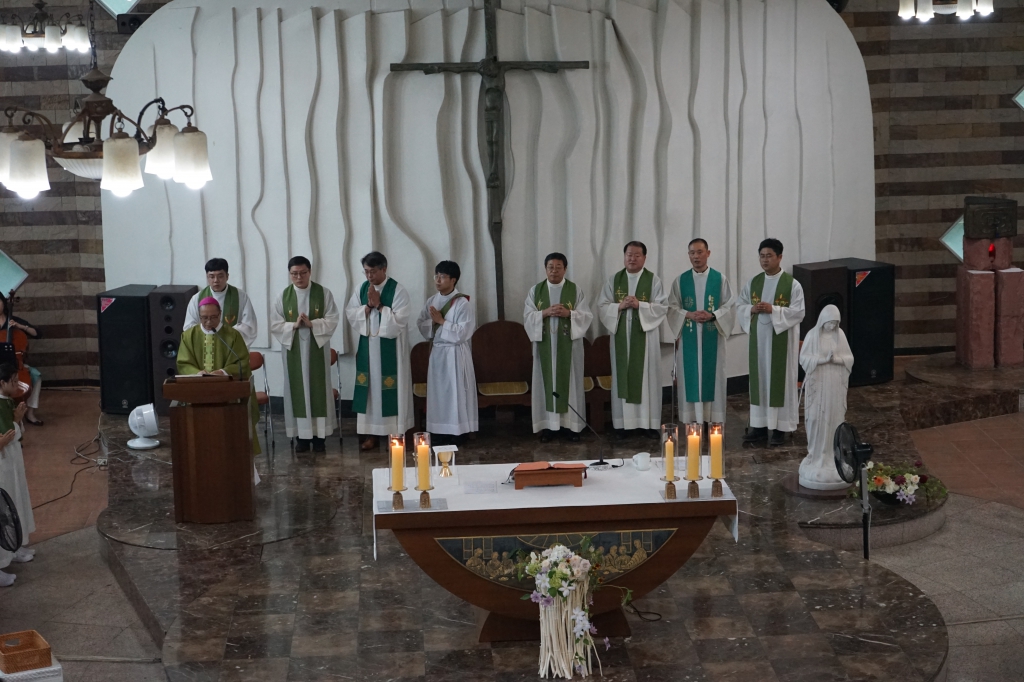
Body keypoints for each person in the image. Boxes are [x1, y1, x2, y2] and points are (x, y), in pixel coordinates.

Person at [736, 238, 805, 447]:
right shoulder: (754, 282)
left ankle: (781, 428)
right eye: (762, 256)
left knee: (780, 382)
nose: (765, 260)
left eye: (769, 256)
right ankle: (759, 426)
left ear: (780, 257)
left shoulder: (792, 284)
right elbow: (740, 305)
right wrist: (751, 309)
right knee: (760, 381)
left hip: (781, 344)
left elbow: (799, 312)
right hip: (759, 343)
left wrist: (773, 310)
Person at [596, 241, 668, 439]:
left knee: (646, 378)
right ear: (624, 256)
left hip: (645, 339)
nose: (632, 258)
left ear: (644, 258)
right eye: (629, 254)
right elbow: (602, 305)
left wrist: (640, 305)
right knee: (623, 376)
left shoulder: (653, 281)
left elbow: (662, 307)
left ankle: (648, 424)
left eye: (637, 255)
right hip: (621, 337)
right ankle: (623, 424)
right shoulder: (614, 280)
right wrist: (618, 306)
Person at [345, 252, 413, 451]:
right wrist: (367, 306)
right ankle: (371, 434)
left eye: (373, 272)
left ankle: (395, 436)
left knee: (392, 389)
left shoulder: (398, 291)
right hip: (369, 348)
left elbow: (399, 322)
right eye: (366, 271)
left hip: (391, 350)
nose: (369, 276)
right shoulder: (362, 288)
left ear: (384, 269)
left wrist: (380, 305)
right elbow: (351, 313)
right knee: (371, 391)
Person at [270, 257, 339, 453]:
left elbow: (333, 318)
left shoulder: (323, 293)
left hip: (317, 348)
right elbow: (275, 324)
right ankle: (301, 438)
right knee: (297, 390)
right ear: (289, 274)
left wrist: (313, 324)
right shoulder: (282, 296)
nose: (298, 277)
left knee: (318, 389)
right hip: (293, 349)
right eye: (294, 273)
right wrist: (293, 325)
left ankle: (319, 438)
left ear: (309, 272)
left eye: (302, 273)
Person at [177, 297, 261, 456]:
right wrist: (197, 373)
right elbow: (183, 362)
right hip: (199, 395)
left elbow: (242, 362)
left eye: (213, 317)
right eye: (204, 318)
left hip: (228, 398)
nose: (209, 322)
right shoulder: (188, 336)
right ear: (199, 316)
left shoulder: (232, 335)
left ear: (220, 314)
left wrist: (222, 372)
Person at [666, 239, 737, 426]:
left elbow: (730, 306)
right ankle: (692, 418)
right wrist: (688, 314)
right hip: (689, 337)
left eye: (699, 252)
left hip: (712, 336)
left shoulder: (719, 279)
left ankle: (712, 418)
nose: (696, 256)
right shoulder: (681, 280)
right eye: (692, 253)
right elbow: (671, 308)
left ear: (708, 253)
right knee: (691, 376)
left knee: (712, 376)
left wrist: (713, 315)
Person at [524, 252, 593, 442]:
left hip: (569, 348)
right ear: (545, 268)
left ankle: (571, 427)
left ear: (565, 269)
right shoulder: (536, 291)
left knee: (570, 384)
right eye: (550, 267)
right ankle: (548, 427)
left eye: (558, 267)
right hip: (545, 347)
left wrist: (569, 313)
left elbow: (586, 316)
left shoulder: (575, 290)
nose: (554, 271)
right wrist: (544, 313)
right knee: (545, 384)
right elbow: (527, 317)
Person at [416, 261, 477, 444]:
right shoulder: (432, 301)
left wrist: (442, 322)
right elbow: (421, 323)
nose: (438, 280)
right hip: (438, 352)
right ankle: (438, 430)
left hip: (455, 354)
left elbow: (464, 332)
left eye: (442, 276)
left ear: (453, 279)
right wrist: (433, 323)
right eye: (437, 276)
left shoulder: (462, 303)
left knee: (455, 393)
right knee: (438, 393)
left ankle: (458, 431)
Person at [799, 305, 854, 490]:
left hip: (834, 387)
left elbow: (849, 358)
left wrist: (836, 359)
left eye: (835, 323)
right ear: (822, 321)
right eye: (829, 323)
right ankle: (817, 456)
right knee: (817, 419)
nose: (832, 326)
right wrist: (822, 360)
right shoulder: (812, 336)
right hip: (819, 385)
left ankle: (832, 456)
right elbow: (804, 358)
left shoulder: (841, 337)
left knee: (834, 419)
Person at [0, 362, 35, 587]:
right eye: (12, 381)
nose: (16, 385)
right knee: (3, 511)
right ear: (1, 383)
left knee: (15, 501)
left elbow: (11, 433)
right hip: (1, 464)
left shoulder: (6, 402)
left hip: (10, 461)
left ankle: (13, 548)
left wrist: (17, 420)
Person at [183, 258, 258, 348]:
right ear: (207, 277)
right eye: (212, 276)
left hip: (232, 347)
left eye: (220, 276)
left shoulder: (240, 296)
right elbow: (189, 327)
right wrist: (209, 333)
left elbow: (249, 326)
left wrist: (224, 335)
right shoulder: (197, 298)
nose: (216, 280)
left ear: (227, 276)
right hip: (207, 347)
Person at [0, 293, 42, 426]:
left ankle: (30, 413)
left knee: (36, 376)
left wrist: (21, 327)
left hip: (16, 364)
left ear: (4, 303)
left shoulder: (13, 320)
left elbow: (37, 333)